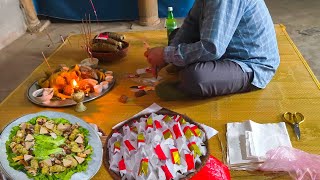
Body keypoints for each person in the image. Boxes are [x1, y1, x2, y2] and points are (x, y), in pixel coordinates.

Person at [144, 0, 280, 98]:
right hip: (224, 45)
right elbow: (191, 23)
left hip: (250, 63)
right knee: (175, 35)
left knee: (196, 77)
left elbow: (212, 48)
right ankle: (185, 64)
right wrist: (170, 50)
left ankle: (185, 85)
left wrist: (166, 55)